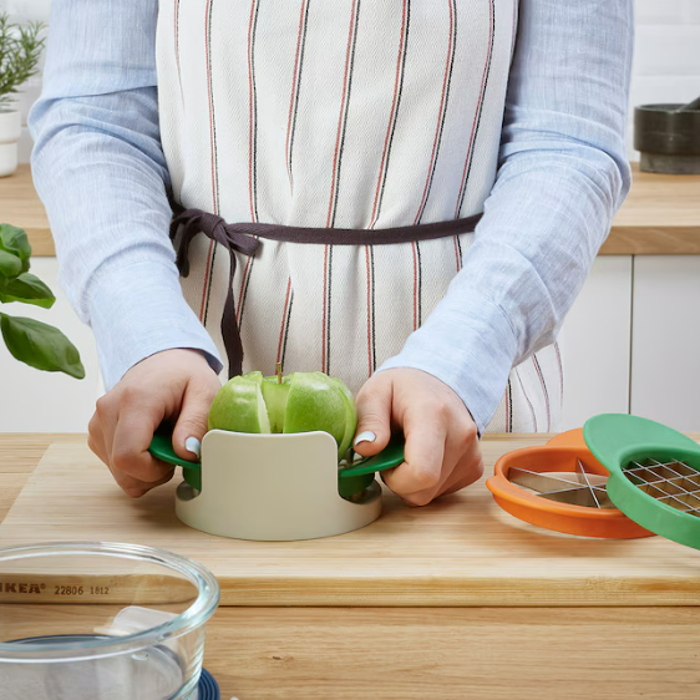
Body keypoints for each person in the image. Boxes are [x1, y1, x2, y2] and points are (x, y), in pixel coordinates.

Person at [29, 0, 633, 506]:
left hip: (460, 392)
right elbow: (98, 121)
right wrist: (146, 335)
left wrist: (462, 355)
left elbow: (566, 141)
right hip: (189, 383)